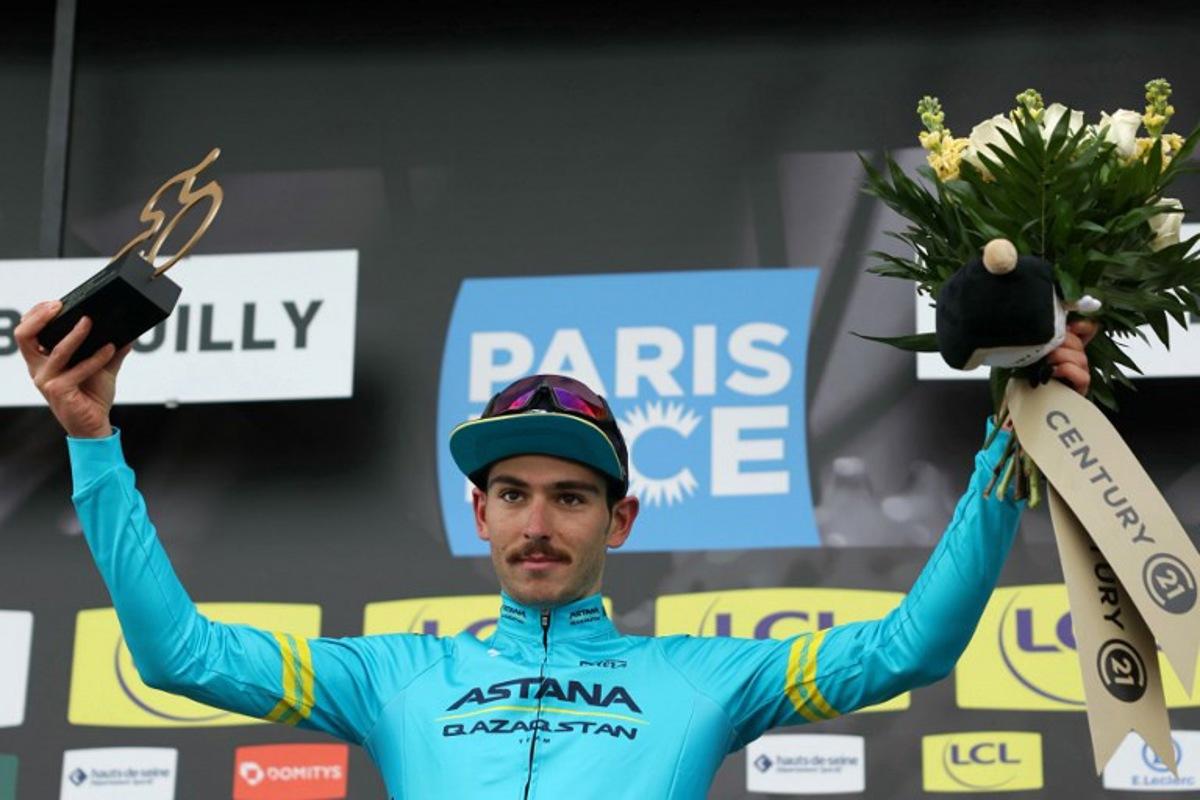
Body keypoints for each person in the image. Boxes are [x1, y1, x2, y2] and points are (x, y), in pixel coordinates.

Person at [14, 302, 1096, 799]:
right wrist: (95, 444)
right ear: (477, 513)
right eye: (514, 492)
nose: (539, 520)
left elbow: (915, 644)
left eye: (572, 495)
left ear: (619, 521)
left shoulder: (702, 671)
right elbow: (174, 655)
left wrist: (1013, 445)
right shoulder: (389, 674)